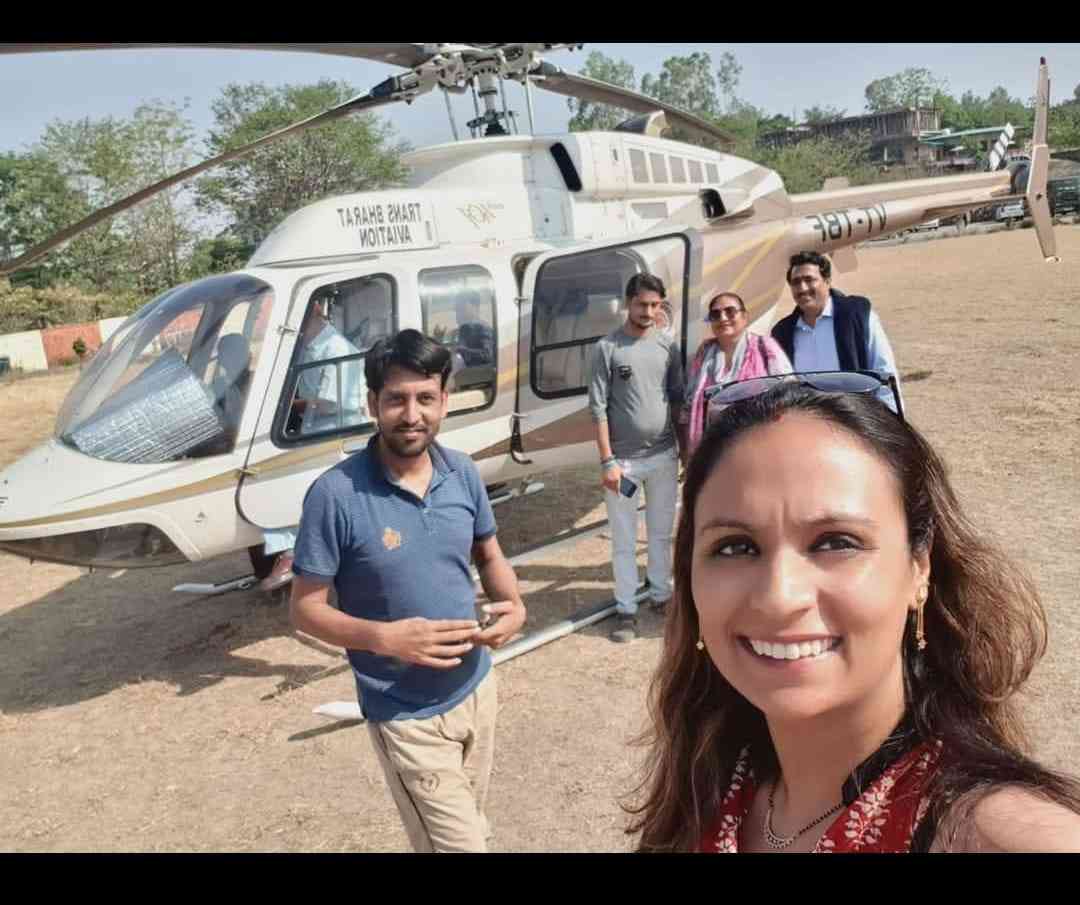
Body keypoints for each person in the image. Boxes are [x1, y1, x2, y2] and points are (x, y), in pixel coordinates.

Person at [627, 375, 1080, 852]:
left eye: (836, 542)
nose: (780, 597)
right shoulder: (705, 790)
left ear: (919, 568)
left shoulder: (993, 836)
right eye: (736, 547)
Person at [289, 329, 526, 853]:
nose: (412, 414)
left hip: (477, 692)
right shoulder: (335, 495)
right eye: (396, 399)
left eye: (425, 398)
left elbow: (489, 554)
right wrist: (386, 639)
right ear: (372, 403)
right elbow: (305, 609)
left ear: (444, 400)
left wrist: (514, 605)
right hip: (405, 714)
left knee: (465, 830)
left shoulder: (461, 472)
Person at [588, 273, 685, 643]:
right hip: (623, 465)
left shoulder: (666, 347)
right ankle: (626, 608)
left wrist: (685, 453)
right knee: (625, 538)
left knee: (661, 534)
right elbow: (597, 409)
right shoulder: (606, 349)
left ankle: (661, 595)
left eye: (655, 305)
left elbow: (676, 401)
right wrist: (607, 462)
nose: (648, 311)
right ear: (628, 302)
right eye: (642, 304)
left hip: (663, 458)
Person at [259, 299, 368, 591]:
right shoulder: (309, 346)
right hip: (315, 426)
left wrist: (284, 406)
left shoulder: (335, 348)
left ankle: (292, 552)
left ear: (316, 308)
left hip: (336, 429)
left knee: (289, 475)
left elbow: (331, 403)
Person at [771, 251, 902, 413]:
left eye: (809, 280)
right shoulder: (782, 333)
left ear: (827, 281)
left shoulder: (857, 315)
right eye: (796, 282)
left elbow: (884, 371)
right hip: (809, 423)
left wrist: (891, 419)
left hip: (856, 419)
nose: (803, 288)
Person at [681, 291, 791, 455]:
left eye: (730, 311)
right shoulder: (704, 355)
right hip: (713, 451)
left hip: (758, 446)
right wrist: (687, 453)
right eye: (715, 314)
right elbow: (689, 406)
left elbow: (790, 391)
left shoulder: (765, 347)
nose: (723, 318)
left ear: (745, 316)